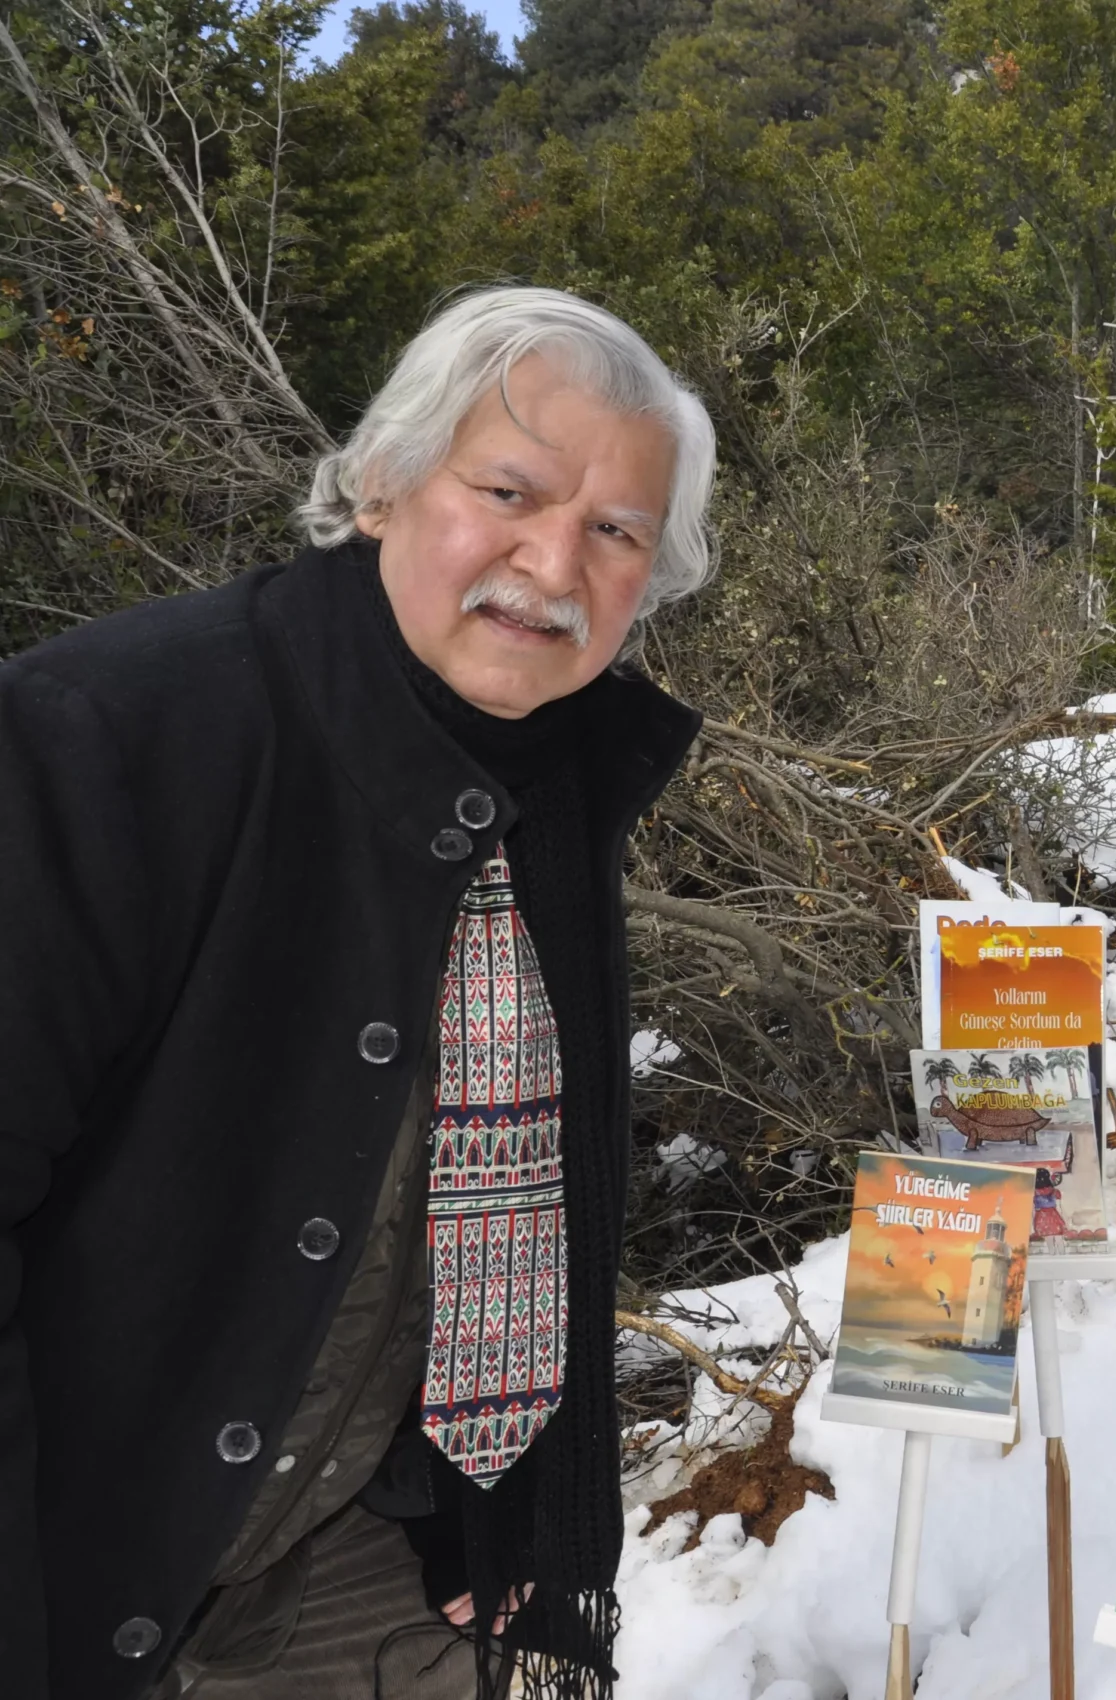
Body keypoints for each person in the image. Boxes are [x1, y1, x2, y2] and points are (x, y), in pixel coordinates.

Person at [1, 288, 716, 1700]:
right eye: (509, 489)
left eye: (617, 530)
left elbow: (461, 1195)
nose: (553, 558)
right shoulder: (110, 740)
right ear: (383, 482)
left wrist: (485, 1509)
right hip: (71, 1562)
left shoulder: (552, 794)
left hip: (341, 1560)